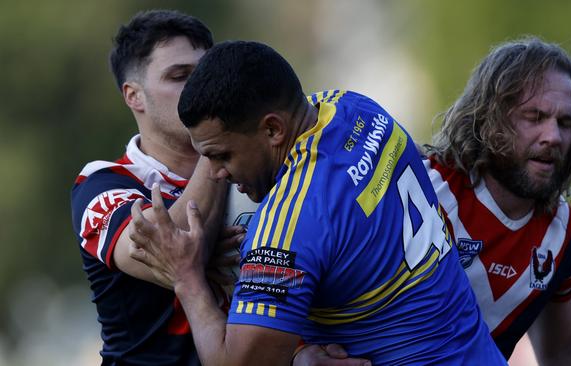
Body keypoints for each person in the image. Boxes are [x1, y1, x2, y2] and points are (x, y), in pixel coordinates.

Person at [128, 40, 507, 365]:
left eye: (221, 155)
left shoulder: (288, 224)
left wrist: (187, 277)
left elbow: (237, 362)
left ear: (273, 129)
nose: (214, 174)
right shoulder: (354, 108)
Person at [297, 37, 571, 365]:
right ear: (492, 118)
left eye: (566, 123)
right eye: (535, 117)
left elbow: (567, 348)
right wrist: (298, 353)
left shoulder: (561, 232)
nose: (554, 136)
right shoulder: (417, 185)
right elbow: (301, 270)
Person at [70, 10, 241, 365]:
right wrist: (217, 142)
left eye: (206, 74)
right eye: (180, 76)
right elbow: (166, 252)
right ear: (134, 96)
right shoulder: (101, 184)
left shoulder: (253, 161)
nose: (201, 88)